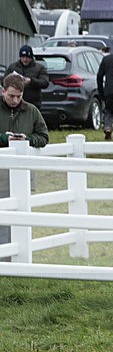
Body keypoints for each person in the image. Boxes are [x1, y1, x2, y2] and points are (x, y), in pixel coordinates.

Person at [0, 74, 49, 258]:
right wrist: (3, 139)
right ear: (3, 91)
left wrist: (27, 140)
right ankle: (4, 259)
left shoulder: (31, 111)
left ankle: (18, 258)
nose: (15, 100)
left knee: (20, 219)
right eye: (11, 95)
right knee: (2, 221)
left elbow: (43, 137)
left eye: (19, 96)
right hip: (1, 177)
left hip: (22, 176)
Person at [3, 45, 48, 109]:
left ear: (31, 57)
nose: (25, 59)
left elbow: (45, 82)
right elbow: (3, 82)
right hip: (15, 103)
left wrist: (31, 81)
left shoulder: (40, 68)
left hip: (33, 103)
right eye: (23, 57)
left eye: (27, 57)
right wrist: (11, 80)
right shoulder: (12, 67)